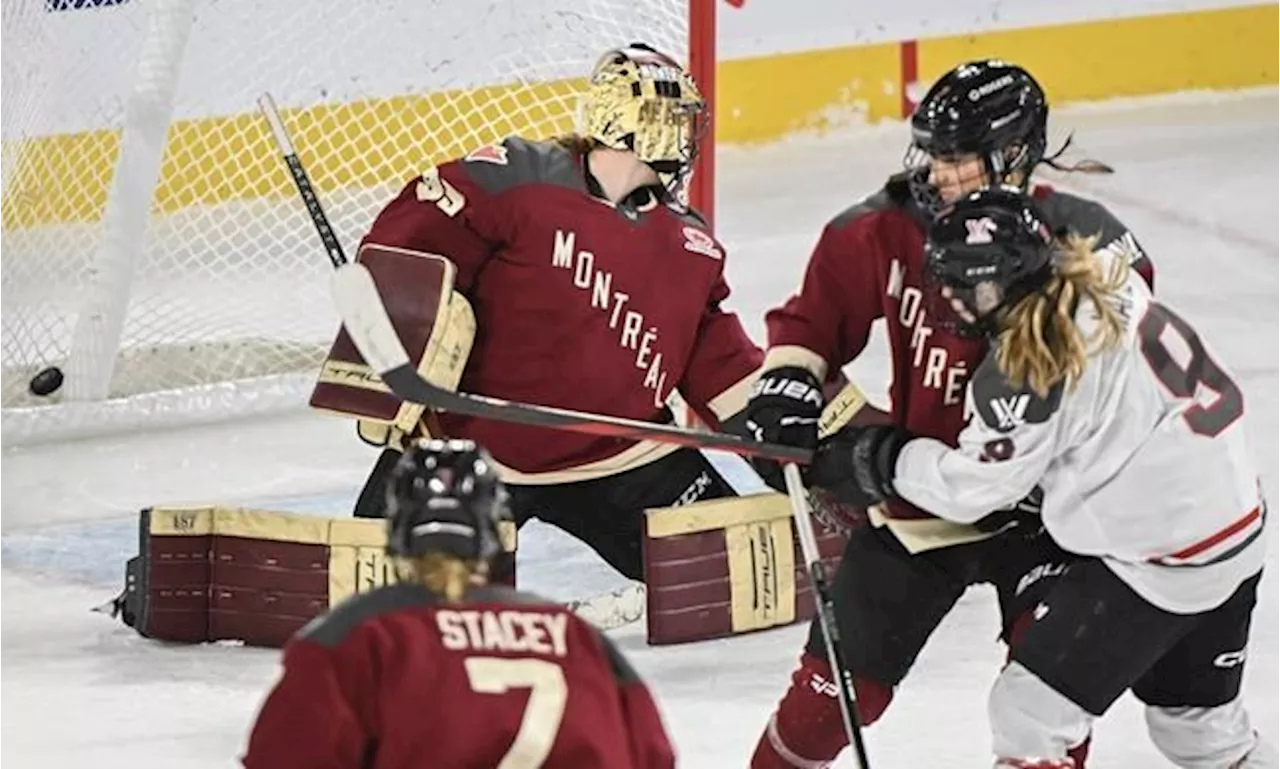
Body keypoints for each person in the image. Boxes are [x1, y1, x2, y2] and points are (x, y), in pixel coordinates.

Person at [732, 59, 1154, 768]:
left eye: (958, 158)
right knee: (831, 699)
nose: (938, 173)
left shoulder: (1087, 242)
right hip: (925, 491)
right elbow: (812, 319)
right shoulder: (887, 224)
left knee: (1043, 707)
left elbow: (1131, 367)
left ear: (1013, 156)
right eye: (933, 153)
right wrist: (790, 383)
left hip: (1050, 511)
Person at [811, 186, 1275, 769]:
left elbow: (974, 489)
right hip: (1236, 524)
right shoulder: (1100, 271)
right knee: (1199, 734)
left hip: (1165, 559)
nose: (947, 297)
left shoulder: (1032, 366)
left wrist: (880, 460)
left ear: (994, 287)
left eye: (959, 284)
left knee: (1028, 715)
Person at [348, 42, 763, 584]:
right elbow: (404, 246)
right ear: (624, 119)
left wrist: (785, 434)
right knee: (392, 601)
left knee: (733, 578)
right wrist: (397, 338)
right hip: (473, 449)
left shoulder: (691, 243)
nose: (684, 137)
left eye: (686, 122)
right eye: (669, 119)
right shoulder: (517, 179)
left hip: (623, 455)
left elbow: (721, 365)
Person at [242, 439, 676, 769]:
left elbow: (281, 756)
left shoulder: (351, 635)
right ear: (491, 531)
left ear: (398, 530)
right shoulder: (576, 637)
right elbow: (654, 755)